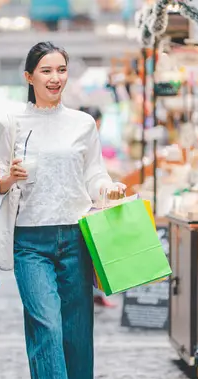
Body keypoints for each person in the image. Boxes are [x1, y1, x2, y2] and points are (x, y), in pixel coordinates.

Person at [0, 42, 125, 379]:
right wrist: (10, 176)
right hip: (30, 242)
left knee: (77, 334)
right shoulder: (11, 123)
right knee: (47, 328)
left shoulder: (83, 123)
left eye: (61, 70)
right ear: (29, 76)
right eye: (46, 71)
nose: (55, 78)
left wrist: (109, 189)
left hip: (76, 238)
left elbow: (94, 175)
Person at [79, 105, 117, 308]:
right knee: (91, 252)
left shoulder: (89, 138)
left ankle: (96, 294)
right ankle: (95, 294)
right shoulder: (83, 137)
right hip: (86, 207)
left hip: (92, 202)